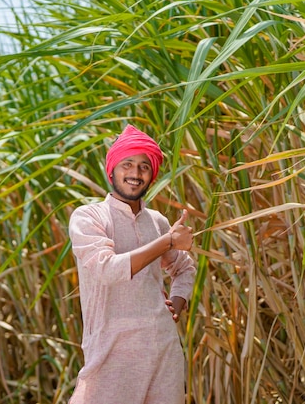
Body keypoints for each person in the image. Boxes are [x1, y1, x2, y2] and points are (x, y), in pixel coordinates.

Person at [68, 124, 196, 404]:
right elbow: (107, 269)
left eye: (144, 167)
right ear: (111, 170)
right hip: (111, 351)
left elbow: (184, 268)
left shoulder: (158, 222)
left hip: (162, 349)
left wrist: (176, 304)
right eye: (127, 164)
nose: (135, 174)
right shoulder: (89, 217)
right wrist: (168, 242)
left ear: (152, 176)